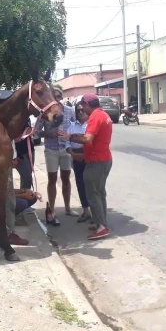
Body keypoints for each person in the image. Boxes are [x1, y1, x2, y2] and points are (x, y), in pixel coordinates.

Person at [58, 93, 112, 240]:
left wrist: (70, 137)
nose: (81, 109)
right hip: (103, 159)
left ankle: (101, 227)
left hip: (96, 161)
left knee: (93, 195)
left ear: (88, 105)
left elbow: (88, 139)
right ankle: (101, 222)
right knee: (100, 193)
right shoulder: (103, 114)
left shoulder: (95, 117)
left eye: (83, 106)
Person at [0, 90, 32, 245]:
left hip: (5, 163)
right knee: (6, 199)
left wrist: (14, 157)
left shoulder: (5, 121)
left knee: (5, 199)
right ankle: (7, 233)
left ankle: (1, 231)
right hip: (1, 166)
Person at [37, 88, 77, 226]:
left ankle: (67, 208)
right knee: (52, 179)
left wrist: (71, 137)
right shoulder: (45, 114)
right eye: (55, 96)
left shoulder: (69, 111)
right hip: (51, 149)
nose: (57, 98)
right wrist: (49, 134)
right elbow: (36, 133)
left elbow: (77, 125)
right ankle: (52, 210)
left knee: (66, 178)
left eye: (59, 96)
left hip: (66, 149)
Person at [65, 102, 92, 223]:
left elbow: (91, 142)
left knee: (92, 185)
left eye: (82, 110)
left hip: (89, 157)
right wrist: (73, 154)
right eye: (78, 111)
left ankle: (97, 213)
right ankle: (86, 211)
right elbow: (66, 143)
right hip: (76, 158)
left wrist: (84, 154)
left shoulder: (91, 125)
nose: (80, 112)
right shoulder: (71, 126)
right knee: (80, 185)